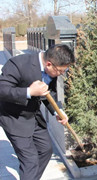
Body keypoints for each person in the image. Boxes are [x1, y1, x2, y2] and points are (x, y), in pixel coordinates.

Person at [0, 44, 75, 180]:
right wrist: (29, 92)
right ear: (49, 64)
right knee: (30, 162)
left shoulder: (53, 69)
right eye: (60, 71)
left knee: (45, 150)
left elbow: (49, 92)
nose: (62, 74)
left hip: (33, 116)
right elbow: (2, 90)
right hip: (14, 118)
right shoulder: (18, 64)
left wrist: (57, 112)